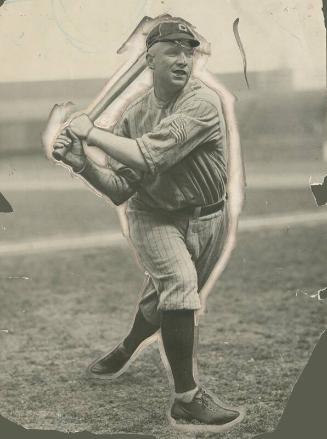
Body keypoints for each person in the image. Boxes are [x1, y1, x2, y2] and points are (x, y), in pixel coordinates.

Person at [53, 19, 241, 428]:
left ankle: (127, 346)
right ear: (149, 60)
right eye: (172, 50)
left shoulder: (203, 102)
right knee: (178, 289)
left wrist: (94, 134)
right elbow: (121, 187)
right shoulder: (134, 114)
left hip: (210, 216)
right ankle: (187, 398)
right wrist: (83, 165)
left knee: (163, 301)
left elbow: (148, 156)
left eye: (189, 52)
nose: (184, 60)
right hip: (152, 215)